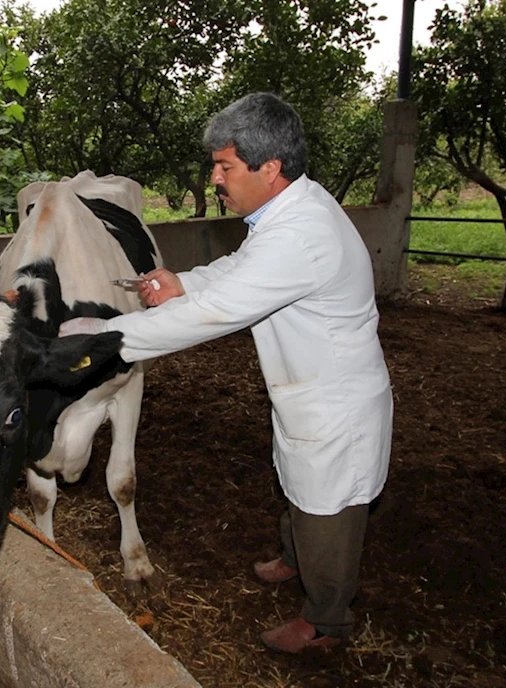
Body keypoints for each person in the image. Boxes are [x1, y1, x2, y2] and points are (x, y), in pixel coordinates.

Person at [60, 92, 393, 653]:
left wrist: (107, 338)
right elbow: (242, 269)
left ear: (270, 168)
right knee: (298, 486)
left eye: (225, 167)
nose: (215, 179)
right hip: (308, 389)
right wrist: (184, 282)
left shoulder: (300, 237)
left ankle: (326, 622)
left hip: (333, 404)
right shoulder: (292, 210)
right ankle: (295, 560)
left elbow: (214, 314)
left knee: (326, 509)